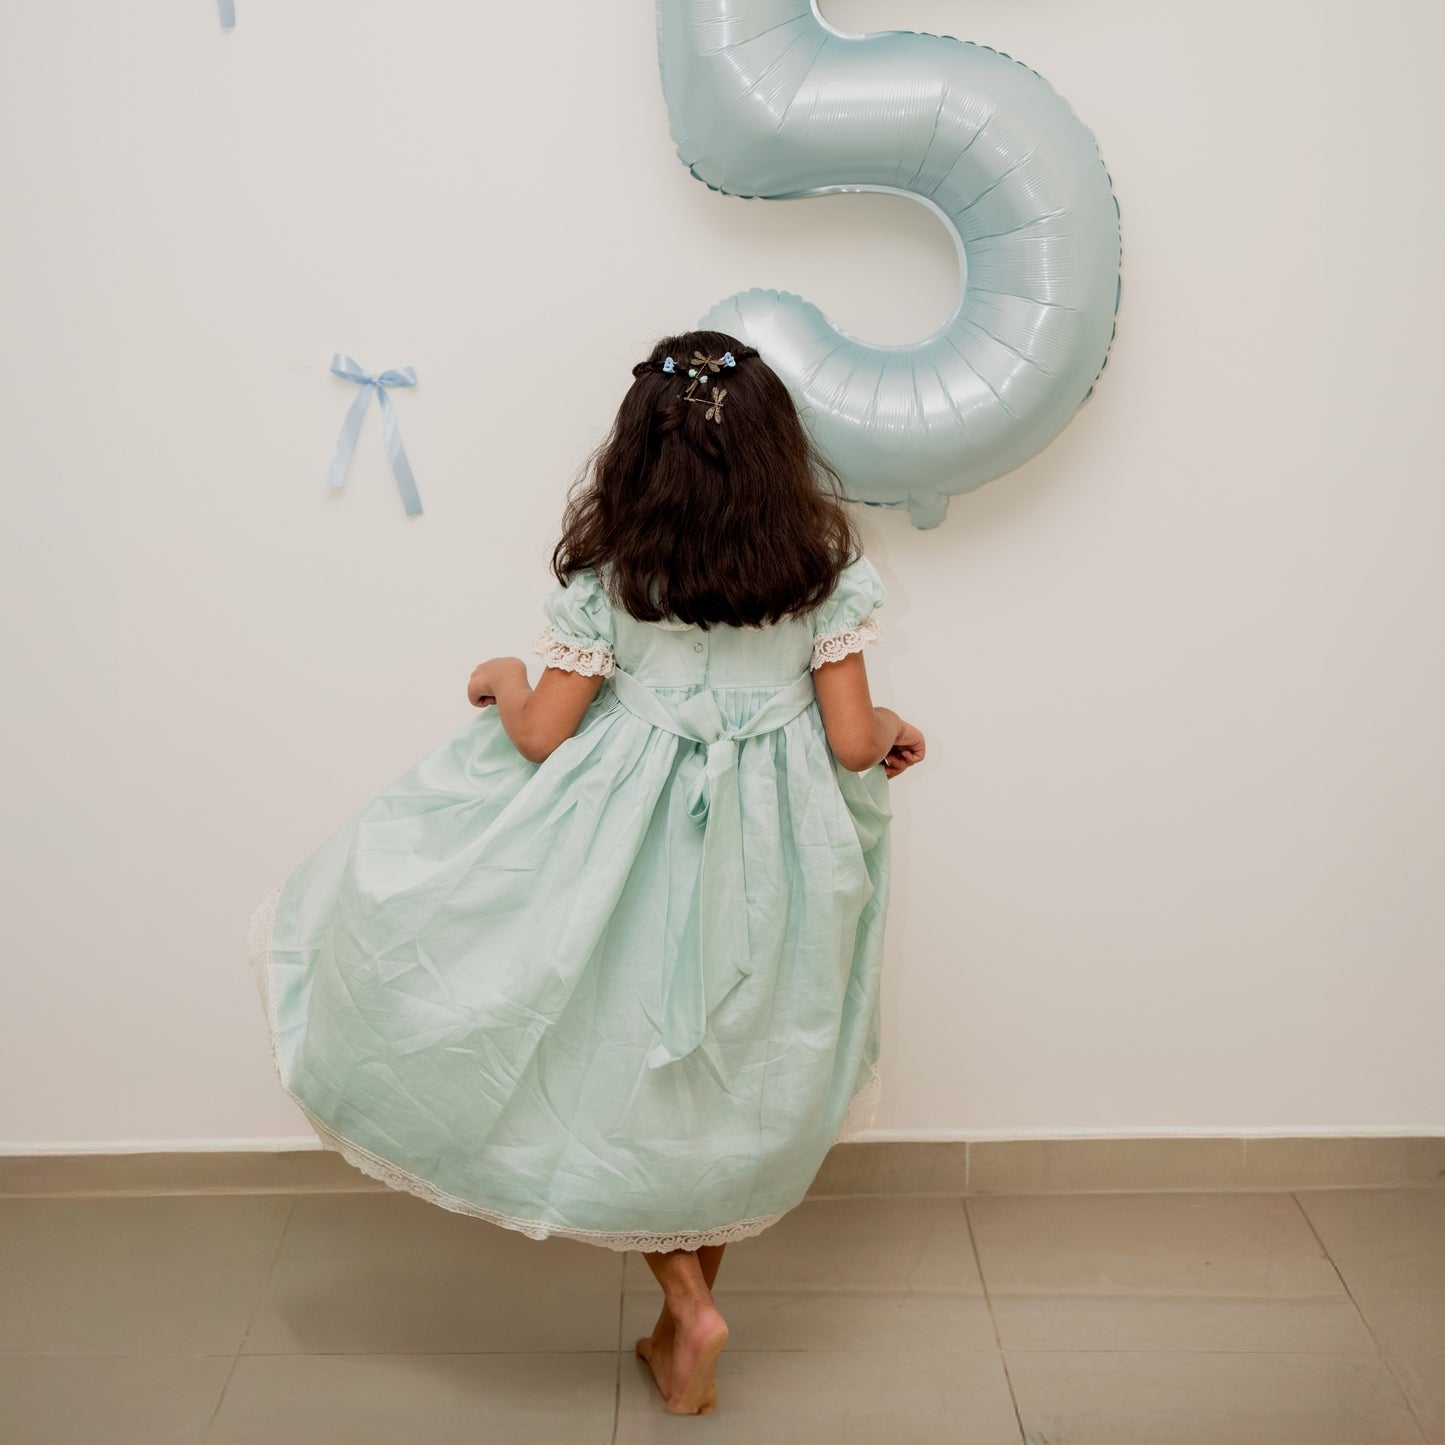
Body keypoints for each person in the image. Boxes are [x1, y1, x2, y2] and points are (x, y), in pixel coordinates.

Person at [246, 329, 926, 1416]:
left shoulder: (620, 575)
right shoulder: (822, 576)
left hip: (626, 860)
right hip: (769, 867)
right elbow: (849, 742)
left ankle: (681, 1307)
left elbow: (543, 737)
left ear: (636, 454)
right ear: (772, 452)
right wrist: (890, 722)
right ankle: (682, 1318)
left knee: (613, 1067)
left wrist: (506, 677)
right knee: (727, 1087)